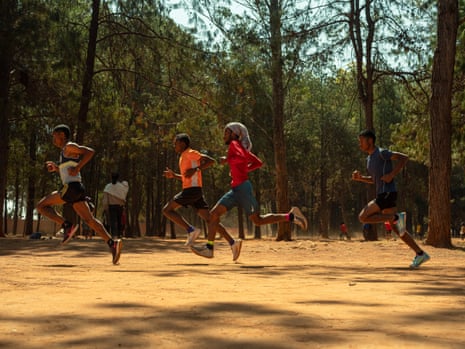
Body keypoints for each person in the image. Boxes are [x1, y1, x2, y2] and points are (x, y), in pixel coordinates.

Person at [190, 122, 308, 259]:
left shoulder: (235, 145)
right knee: (214, 215)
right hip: (236, 189)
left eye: (226, 133)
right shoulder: (240, 147)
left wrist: (227, 160)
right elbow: (257, 163)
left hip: (243, 189)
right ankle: (211, 248)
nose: (224, 136)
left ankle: (292, 216)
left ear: (234, 134)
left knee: (257, 220)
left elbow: (241, 158)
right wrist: (241, 169)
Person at [37, 124, 122, 264]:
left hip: (71, 188)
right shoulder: (65, 151)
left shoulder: (69, 146)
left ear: (62, 135)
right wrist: (57, 168)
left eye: (55, 135)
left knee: (41, 206)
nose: (53, 138)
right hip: (76, 189)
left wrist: (78, 167)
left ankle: (66, 225)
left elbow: (90, 151)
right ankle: (113, 244)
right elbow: (68, 171)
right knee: (90, 220)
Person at [352, 129, 430, 268]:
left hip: (387, 193)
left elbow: (404, 158)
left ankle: (394, 217)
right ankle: (420, 254)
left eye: (361, 141)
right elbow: (375, 179)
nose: (360, 144)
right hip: (384, 194)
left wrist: (392, 174)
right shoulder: (369, 159)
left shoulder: (382, 153)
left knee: (363, 217)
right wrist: (361, 178)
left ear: (370, 141)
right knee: (398, 229)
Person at [163, 133, 243, 261]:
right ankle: (233, 243)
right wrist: (174, 176)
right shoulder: (184, 156)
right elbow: (187, 176)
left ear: (183, 143)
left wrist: (196, 169)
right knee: (211, 220)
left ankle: (191, 230)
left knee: (167, 210)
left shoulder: (190, 152)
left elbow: (211, 161)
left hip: (192, 191)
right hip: (194, 191)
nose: (174, 145)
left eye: (176, 143)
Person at [102, 173, 129, 238]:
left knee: (113, 221)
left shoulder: (108, 187)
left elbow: (105, 199)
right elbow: (124, 194)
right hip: (120, 206)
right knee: (119, 220)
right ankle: (120, 234)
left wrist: (105, 207)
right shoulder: (121, 186)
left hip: (112, 206)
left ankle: (114, 235)